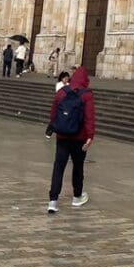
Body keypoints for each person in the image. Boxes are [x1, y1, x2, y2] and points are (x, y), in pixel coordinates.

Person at [47, 66, 95, 213]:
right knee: (78, 166)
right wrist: (90, 136)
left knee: (58, 167)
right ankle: (77, 197)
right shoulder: (86, 95)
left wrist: (55, 128)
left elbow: (53, 114)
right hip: (79, 138)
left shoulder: (61, 92)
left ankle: (53, 201)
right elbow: (89, 118)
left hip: (62, 136)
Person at [45, 71, 71, 137]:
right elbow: (58, 93)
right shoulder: (59, 84)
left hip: (66, 104)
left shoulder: (69, 85)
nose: (66, 80)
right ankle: (49, 132)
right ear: (62, 78)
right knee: (55, 118)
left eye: (67, 79)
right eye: (65, 78)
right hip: (59, 104)